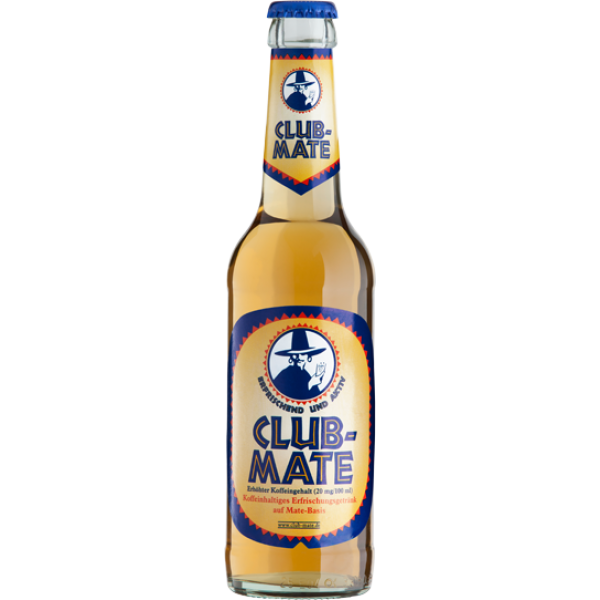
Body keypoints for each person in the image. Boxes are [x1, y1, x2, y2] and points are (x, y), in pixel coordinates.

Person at [272, 330, 327, 399]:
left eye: (303, 354)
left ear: (309, 357)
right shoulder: (286, 373)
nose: (299, 357)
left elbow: (316, 399)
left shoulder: (305, 374)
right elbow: (289, 395)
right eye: (295, 354)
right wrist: (311, 383)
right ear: (291, 357)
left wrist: (315, 380)